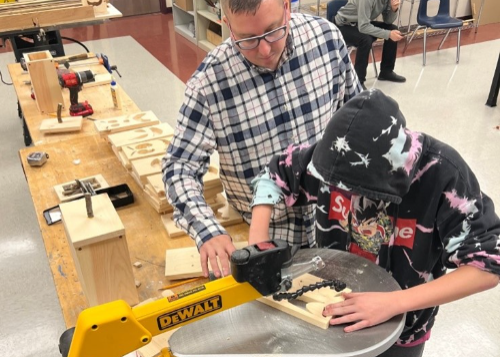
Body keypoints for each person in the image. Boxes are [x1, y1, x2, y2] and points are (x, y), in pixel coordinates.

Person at [249, 89, 500, 356]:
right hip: (330, 311)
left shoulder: (442, 175)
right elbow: (274, 174)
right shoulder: (334, 156)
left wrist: (393, 303)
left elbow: (487, 267)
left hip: (404, 328)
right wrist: (259, 245)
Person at [162, 0, 362, 278]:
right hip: (262, 235)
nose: (264, 49)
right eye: (247, 39)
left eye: (273, 31)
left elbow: (358, 125)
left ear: (287, 8)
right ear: (227, 24)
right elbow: (179, 167)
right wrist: (207, 231)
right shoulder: (209, 84)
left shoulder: (326, 40)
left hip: (336, 223)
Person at [333, 0, 406, 89]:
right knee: (365, 40)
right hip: (343, 25)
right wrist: (388, 34)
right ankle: (358, 82)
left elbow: (388, 21)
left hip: (359, 23)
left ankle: (386, 72)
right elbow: (363, 27)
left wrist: (393, 9)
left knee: (393, 29)